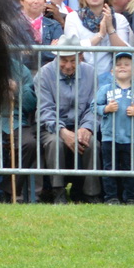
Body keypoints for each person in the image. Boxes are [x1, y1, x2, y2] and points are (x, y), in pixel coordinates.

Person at [33, 46, 99, 203]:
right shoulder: (44, 73)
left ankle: (91, 194)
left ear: (80, 57)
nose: (68, 66)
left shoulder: (90, 72)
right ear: (57, 57)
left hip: (81, 124)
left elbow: (94, 106)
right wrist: (62, 131)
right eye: (64, 60)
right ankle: (58, 192)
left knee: (92, 144)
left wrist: (87, 127)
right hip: (51, 127)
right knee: (55, 143)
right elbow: (45, 110)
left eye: (73, 60)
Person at [95, 50, 134, 203]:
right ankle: (111, 197)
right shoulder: (105, 90)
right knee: (109, 168)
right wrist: (106, 109)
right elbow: (95, 107)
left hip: (131, 137)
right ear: (112, 71)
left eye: (127, 64)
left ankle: (130, 197)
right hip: (109, 136)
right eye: (118, 65)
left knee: (129, 168)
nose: (122, 67)